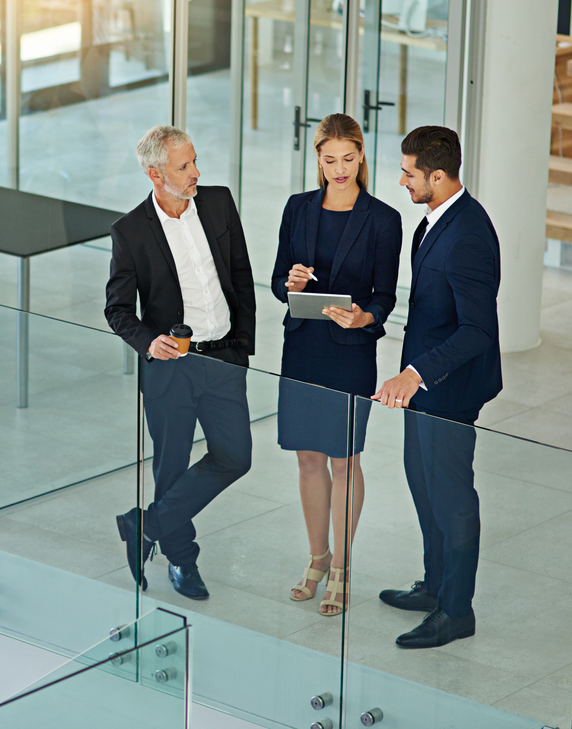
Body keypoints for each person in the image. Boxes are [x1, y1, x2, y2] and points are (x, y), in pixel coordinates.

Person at [106, 125, 255, 601]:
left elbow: (240, 274)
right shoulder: (130, 231)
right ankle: (183, 562)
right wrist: (149, 343)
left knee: (235, 456)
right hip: (172, 369)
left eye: (194, 161)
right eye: (184, 166)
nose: (196, 173)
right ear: (155, 174)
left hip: (223, 359)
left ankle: (142, 525)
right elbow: (117, 310)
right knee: (171, 467)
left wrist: (243, 347)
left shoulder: (218, 201)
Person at [373, 125, 502, 649]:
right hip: (422, 385)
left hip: (446, 388)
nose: (402, 181)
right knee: (423, 486)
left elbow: (477, 330)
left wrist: (417, 373)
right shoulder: (432, 221)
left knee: (451, 499)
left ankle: (456, 610)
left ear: (439, 176)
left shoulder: (468, 234)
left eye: (409, 173)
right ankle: (435, 585)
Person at [271, 113, 401, 617]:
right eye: (329, 160)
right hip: (303, 346)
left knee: (345, 459)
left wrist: (364, 316)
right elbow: (280, 275)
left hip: (349, 351)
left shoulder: (383, 219)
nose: (339, 169)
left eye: (348, 159)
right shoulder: (297, 208)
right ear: (317, 159)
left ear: (362, 155)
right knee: (307, 458)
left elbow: (386, 296)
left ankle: (343, 566)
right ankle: (317, 557)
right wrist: (294, 283)